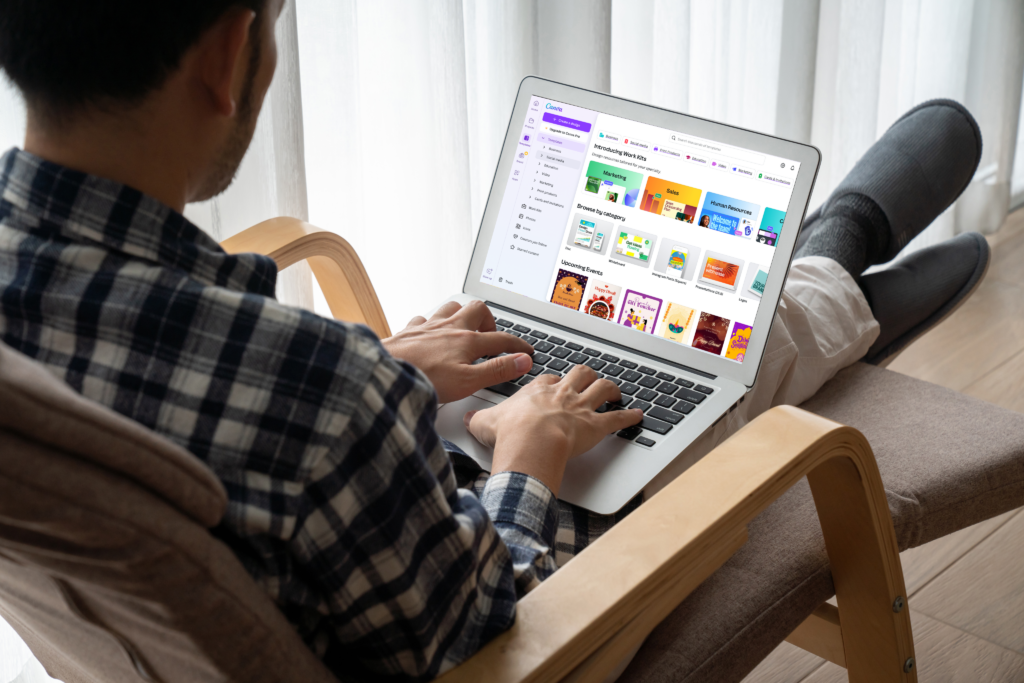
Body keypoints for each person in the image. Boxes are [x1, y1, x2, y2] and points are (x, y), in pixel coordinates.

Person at [0, 1, 988, 680]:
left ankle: (836, 269)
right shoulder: (322, 389)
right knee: (723, 387)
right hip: (498, 644)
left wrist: (383, 375)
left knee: (581, 360)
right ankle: (837, 262)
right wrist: (529, 452)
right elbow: (485, 622)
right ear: (226, 58)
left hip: (311, 574)